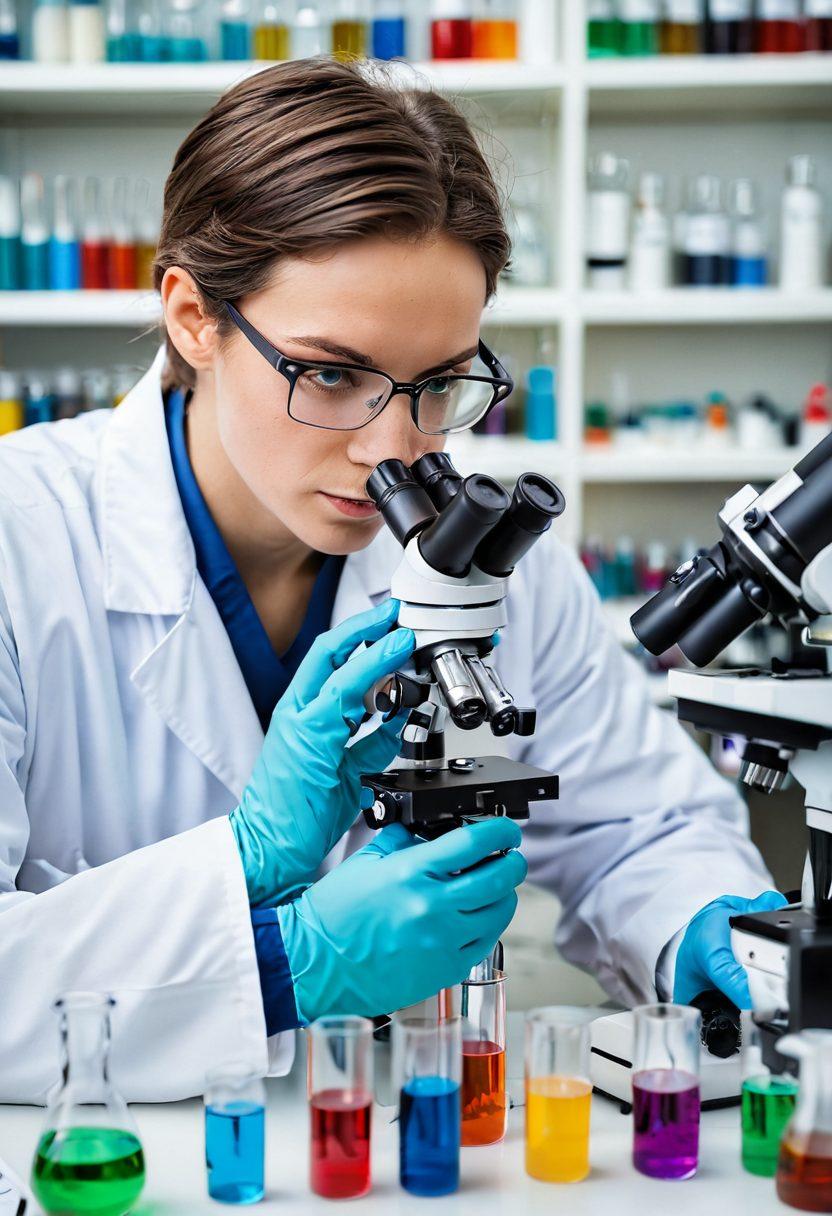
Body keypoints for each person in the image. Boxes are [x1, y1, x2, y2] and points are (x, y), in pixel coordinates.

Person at [0, 59, 780, 1103]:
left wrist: (708, 925)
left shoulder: (495, 571)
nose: (395, 449)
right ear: (194, 316)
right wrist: (281, 952)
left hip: (407, 1146)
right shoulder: (22, 541)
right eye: (331, 373)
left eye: (440, 383)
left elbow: (642, 825)